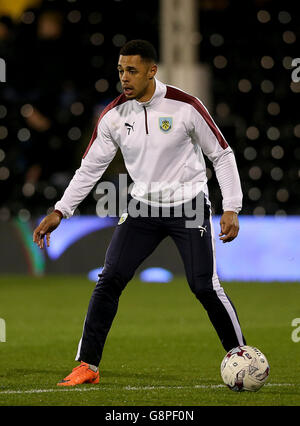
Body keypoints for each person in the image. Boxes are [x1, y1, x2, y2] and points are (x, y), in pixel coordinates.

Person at [33, 40, 246, 387]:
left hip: (189, 203)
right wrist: (61, 210)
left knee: (203, 285)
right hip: (142, 206)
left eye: (132, 70)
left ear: (152, 71)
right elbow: (89, 169)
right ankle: (88, 365)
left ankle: (241, 355)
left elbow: (222, 154)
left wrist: (231, 206)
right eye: (120, 71)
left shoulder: (186, 106)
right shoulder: (114, 116)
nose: (124, 78)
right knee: (109, 279)